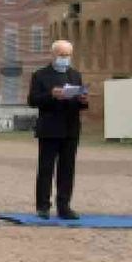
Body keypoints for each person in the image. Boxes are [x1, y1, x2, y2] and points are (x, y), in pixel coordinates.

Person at [27, 39, 87, 220]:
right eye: (62, 55)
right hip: (49, 128)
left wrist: (83, 101)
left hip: (70, 128)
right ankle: (43, 206)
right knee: (46, 168)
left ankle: (64, 206)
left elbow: (79, 102)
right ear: (53, 55)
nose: (65, 58)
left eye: (68, 55)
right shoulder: (40, 75)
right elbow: (33, 100)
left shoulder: (75, 75)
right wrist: (51, 95)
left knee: (67, 169)